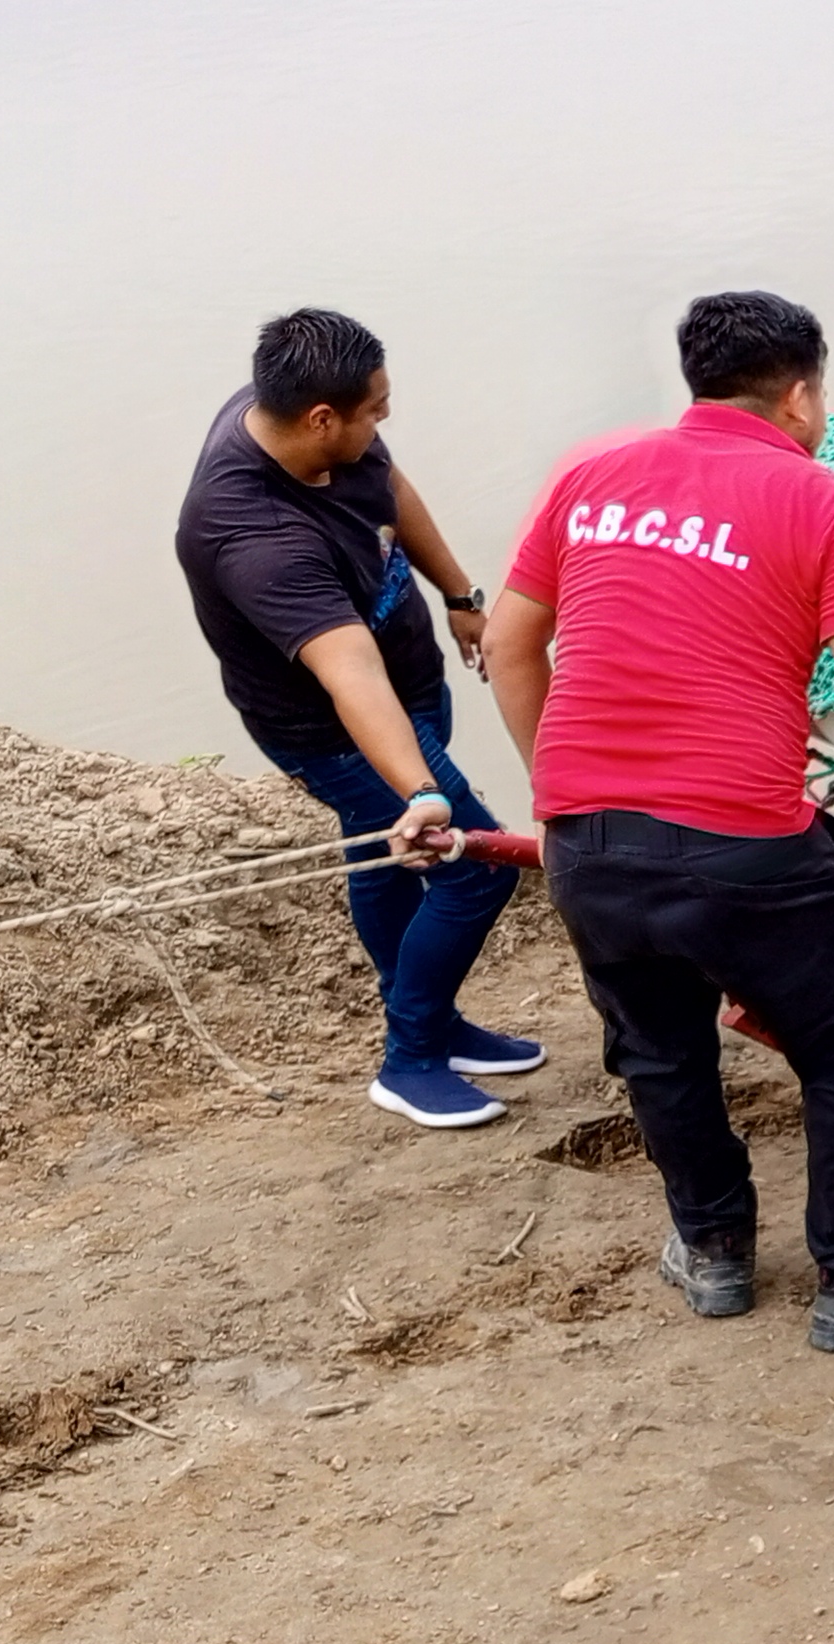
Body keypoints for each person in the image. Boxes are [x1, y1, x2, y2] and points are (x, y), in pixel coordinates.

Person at [480, 290, 834, 1355]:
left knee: (657, 1048)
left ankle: (714, 1253)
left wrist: (559, 793)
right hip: (743, 836)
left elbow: (508, 646)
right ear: (800, 396)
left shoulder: (589, 472)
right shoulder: (824, 501)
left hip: (590, 837)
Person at [173, 307, 539, 1131]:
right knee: (477, 866)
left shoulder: (308, 423)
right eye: (375, 409)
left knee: (383, 858)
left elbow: (389, 487)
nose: (386, 419)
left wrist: (459, 595)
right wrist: (421, 792)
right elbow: (350, 677)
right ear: (320, 419)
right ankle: (411, 1057)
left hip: (406, 680)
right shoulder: (254, 536)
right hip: (336, 732)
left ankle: (435, 1023)